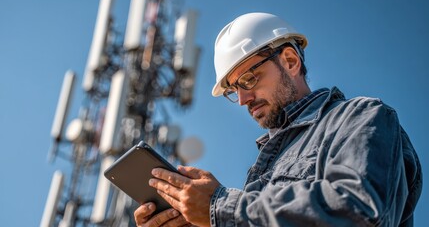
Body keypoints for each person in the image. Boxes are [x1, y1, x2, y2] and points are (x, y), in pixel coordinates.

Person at [134, 12, 422, 226]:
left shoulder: (360, 119)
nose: (243, 99)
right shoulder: (262, 171)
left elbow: (357, 212)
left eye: (249, 79)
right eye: (234, 90)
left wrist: (218, 206)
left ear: (290, 61)